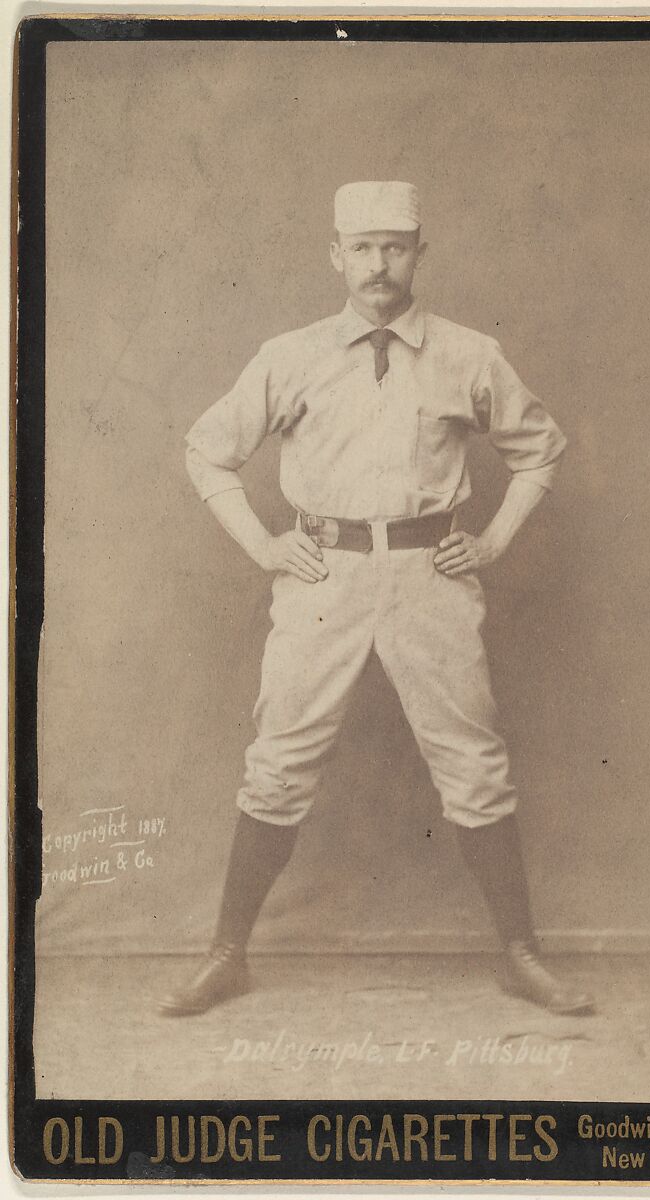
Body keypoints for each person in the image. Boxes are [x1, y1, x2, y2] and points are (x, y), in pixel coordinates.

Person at [159, 181, 594, 1018]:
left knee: (473, 763)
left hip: (431, 575)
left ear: (420, 254)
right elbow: (208, 452)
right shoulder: (290, 354)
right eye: (361, 248)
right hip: (324, 578)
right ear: (335, 256)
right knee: (278, 761)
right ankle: (226, 955)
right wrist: (264, 546)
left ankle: (520, 956)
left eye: (395, 246)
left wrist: (494, 542)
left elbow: (542, 449)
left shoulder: (469, 354)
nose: (379, 265)